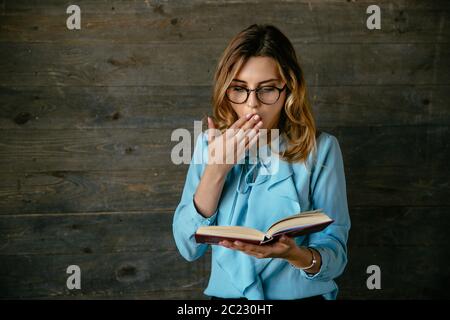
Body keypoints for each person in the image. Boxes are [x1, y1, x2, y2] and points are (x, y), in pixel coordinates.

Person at [172, 24, 350, 300]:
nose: (252, 104)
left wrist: (296, 255)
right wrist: (216, 171)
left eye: (267, 90)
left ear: (288, 89)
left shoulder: (322, 148)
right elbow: (188, 247)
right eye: (239, 89)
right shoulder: (209, 145)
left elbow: (335, 257)